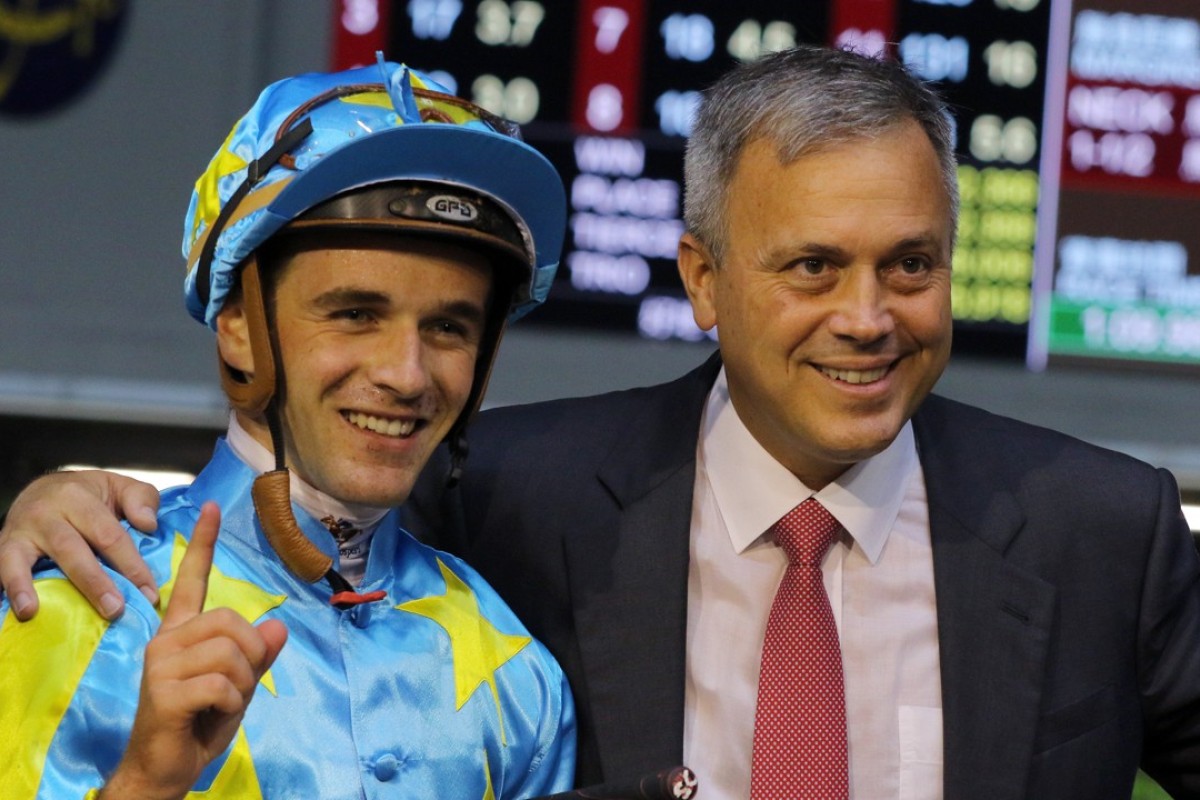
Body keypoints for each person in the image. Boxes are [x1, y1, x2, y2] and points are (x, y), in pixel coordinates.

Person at [4, 44, 1200, 799]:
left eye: (912, 263)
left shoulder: (1108, 526)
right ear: (702, 278)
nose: (868, 317)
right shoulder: (507, 501)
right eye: (811, 265)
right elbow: (294, 499)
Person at [0, 58, 576, 799]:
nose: (407, 374)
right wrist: (142, 786)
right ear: (238, 326)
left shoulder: (521, 672)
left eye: (447, 327)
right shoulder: (74, 606)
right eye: (356, 314)